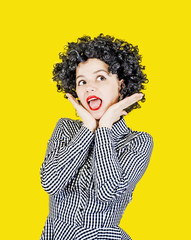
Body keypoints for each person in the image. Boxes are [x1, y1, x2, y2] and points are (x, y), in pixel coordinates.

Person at [40, 33, 154, 240]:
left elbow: (109, 193)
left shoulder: (139, 141)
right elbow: (50, 183)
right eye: (81, 81)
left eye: (100, 77)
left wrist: (105, 128)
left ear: (122, 84)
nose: (89, 87)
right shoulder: (65, 128)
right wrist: (87, 129)